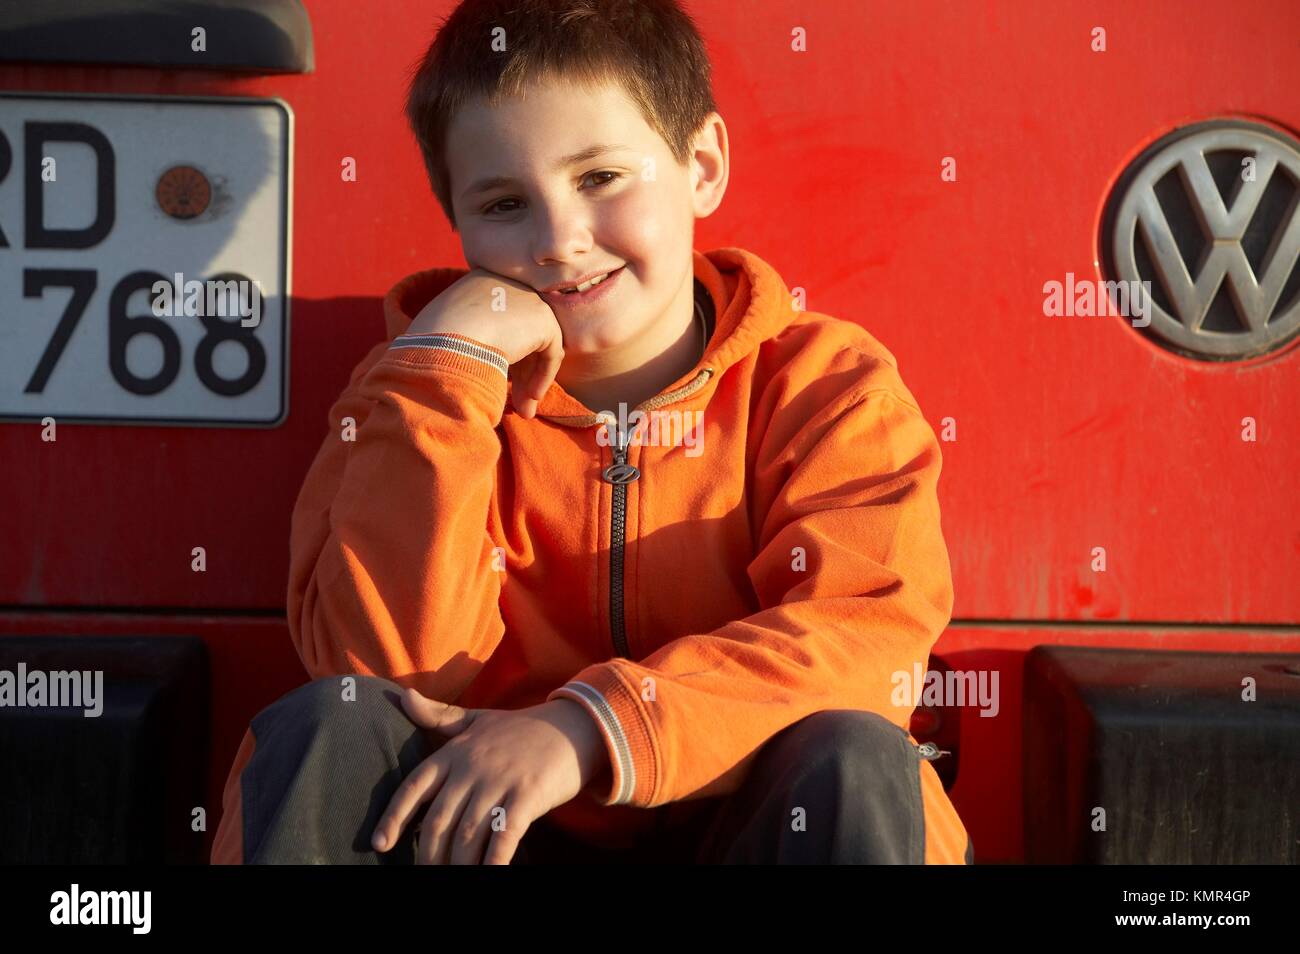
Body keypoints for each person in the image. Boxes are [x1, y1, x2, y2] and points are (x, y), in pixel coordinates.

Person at [211, 0, 973, 865]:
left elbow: (864, 638)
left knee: (857, 755)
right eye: (503, 202)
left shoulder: (824, 387)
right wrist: (447, 370)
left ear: (703, 165)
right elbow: (380, 666)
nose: (560, 241)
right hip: (480, 830)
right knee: (333, 724)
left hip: (740, 829)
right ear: (457, 223)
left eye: (601, 178)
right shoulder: (407, 395)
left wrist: (592, 729)